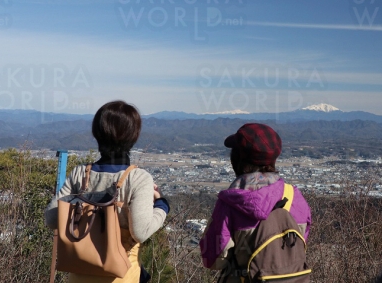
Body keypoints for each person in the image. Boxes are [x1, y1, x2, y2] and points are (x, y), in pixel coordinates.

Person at [45, 100, 170, 283]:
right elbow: (141, 232)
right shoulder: (138, 178)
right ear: (133, 136)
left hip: (79, 274)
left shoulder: (81, 174)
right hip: (120, 275)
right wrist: (161, 205)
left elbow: (51, 219)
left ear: (97, 133)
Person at [199, 123, 311, 283]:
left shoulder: (231, 202)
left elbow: (214, 259)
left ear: (238, 159)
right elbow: (297, 248)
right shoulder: (295, 198)